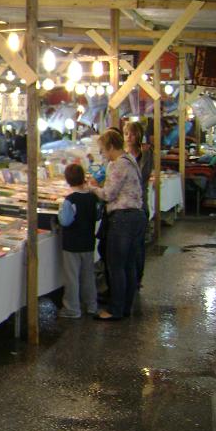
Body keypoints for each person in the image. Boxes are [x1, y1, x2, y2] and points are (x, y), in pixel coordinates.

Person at [89, 129, 146, 321]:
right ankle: (125, 306)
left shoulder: (118, 164)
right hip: (136, 216)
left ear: (111, 147)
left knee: (116, 266)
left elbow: (108, 194)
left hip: (123, 219)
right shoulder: (130, 160)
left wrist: (92, 188)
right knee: (128, 265)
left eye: (103, 150)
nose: (103, 154)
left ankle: (115, 309)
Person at [57, 163, 100, 319]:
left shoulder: (70, 200)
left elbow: (65, 221)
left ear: (68, 180)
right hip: (88, 242)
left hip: (72, 244)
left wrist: (59, 214)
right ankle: (92, 305)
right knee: (88, 276)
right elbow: (97, 215)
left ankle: (72, 308)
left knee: (72, 277)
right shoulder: (92, 197)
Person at [124, 121, 153, 285]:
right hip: (126, 204)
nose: (129, 137)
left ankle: (137, 278)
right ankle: (129, 278)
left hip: (140, 204)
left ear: (139, 136)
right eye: (127, 134)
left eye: (133, 134)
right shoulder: (123, 155)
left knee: (138, 244)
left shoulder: (145, 154)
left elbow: (141, 176)